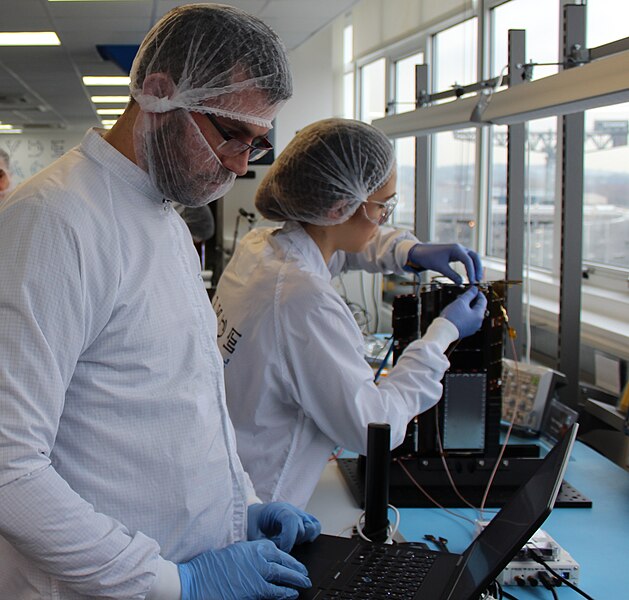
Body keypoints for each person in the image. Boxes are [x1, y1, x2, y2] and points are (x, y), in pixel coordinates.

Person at [0, 5, 320, 600]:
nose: (240, 163)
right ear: (157, 93)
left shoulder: (164, 216)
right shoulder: (54, 222)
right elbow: (7, 467)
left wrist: (241, 507)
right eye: (231, 134)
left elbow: (179, 399)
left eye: (258, 142)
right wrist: (173, 583)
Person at [213, 118, 487, 509]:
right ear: (341, 206)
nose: (384, 219)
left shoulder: (263, 248)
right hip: (261, 507)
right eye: (383, 207)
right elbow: (374, 427)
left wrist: (407, 251)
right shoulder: (303, 299)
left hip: (232, 477)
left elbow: (337, 246)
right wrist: (443, 335)